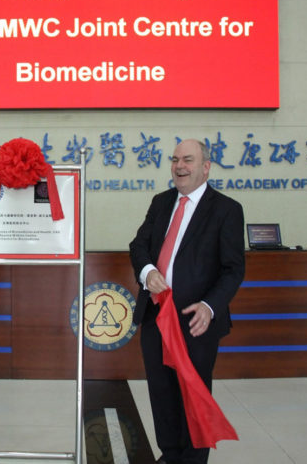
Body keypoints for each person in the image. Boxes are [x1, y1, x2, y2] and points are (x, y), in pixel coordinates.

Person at [129, 139, 245, 464]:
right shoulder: (161, 202)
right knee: (161, 393)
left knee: (193, 396)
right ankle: (169, 454)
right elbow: (138, 245)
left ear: (205, 167)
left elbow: (234, 269)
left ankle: (193, 460)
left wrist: (211, 306)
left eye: (188, 160)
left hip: (196, 321)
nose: (180, 166)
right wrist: (148, 271)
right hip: (156, 315)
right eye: (176, 159)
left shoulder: (227, 210)